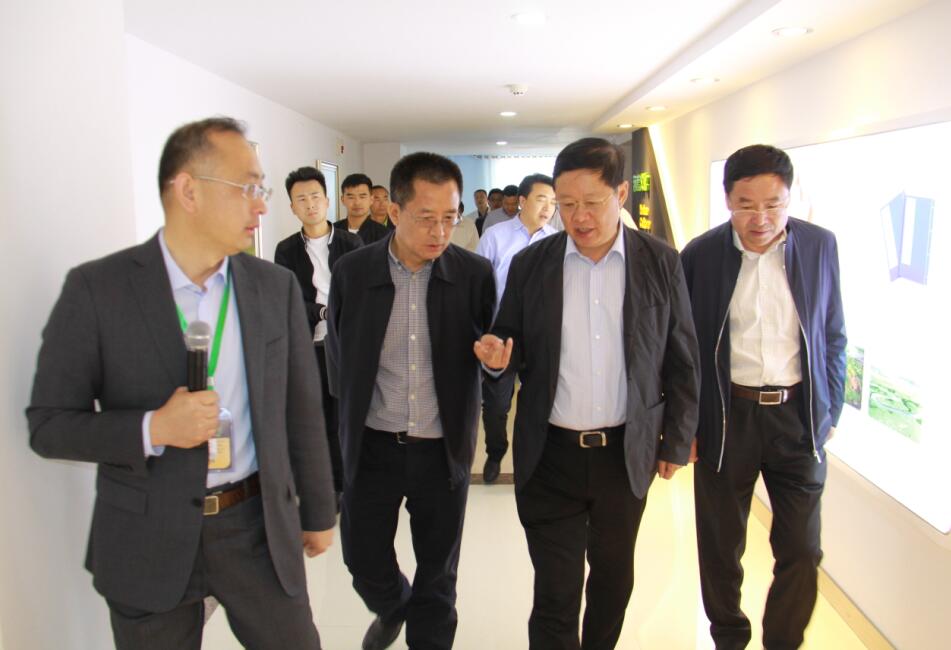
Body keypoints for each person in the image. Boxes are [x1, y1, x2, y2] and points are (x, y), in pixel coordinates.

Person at [26, 117, 337, 649]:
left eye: (261, 190)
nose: (261, 207)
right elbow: (49, 426)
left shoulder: (273, 287)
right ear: (188, 191)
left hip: (256, 526)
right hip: (147, 532)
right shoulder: (98, 289)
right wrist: (153, 428)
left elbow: (301, 408)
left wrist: (319, 508)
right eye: (247, 188)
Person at [474, 137, 700, 649]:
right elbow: (508, 338)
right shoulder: (533, 264)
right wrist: (496, 359)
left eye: (592, 202)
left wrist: (676, 438)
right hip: (550, 454)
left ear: (619, 193)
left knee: (613, 584)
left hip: (624, 454)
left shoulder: (660, 262)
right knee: (555, 594)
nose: (578, 217)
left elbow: (682, 356)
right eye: (566, 203)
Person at [680, 144, 846, 650]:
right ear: (727, 199)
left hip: (797, 419)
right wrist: (686, 424)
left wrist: (830, 410)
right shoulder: (701, 255)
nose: (761, 218)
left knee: (802, 549)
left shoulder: (819, 246)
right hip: (727, 416)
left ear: (790, 199)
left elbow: (833, 333)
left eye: (774, 204)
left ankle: (783, 641)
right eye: (746, 205)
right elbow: (683, 348)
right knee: (721, 548)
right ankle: (729, 637)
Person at [326, 152, 495, 650]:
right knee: (362, 557)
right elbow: (338, 355)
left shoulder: (474, 273)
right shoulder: (353, 272)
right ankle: (393, 605)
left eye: (450, 217)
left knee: (438, 575)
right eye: (426, 218)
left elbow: (492, 352)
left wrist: (494, 363)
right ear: (395, 212)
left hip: (441, 449)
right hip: (374, 444)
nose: (440, 232)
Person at [274, 166, 362, 498]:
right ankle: (330, 487)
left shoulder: (350, 242)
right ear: (292, 207)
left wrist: (335, 312)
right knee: (318, 417)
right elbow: (290, 299)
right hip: (310, 344)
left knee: (346, 416)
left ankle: (349, 482)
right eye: (301, 199)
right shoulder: (286, 250)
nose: (310, 204)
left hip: (346, 343)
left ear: (327, 201)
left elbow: (360, 291)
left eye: (315, 197)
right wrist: (324, 311)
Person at [474, 173, 557, 483]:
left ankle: (537, 461)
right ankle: (495, 452)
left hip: (542, 336)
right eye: (541, 199)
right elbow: (479, 289)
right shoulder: (495, 236)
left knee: (540, 403)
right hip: (503, 332)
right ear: (522, 201)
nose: (548, 208)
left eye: (553, 202)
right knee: (496, 404)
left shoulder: (557, 241)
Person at [336, 173, 389, 244]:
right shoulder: (332, 231)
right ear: (343, 200)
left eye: (362, 197)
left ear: (371, 199)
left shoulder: (385, 235)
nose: (357, 202)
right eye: (351, 197)